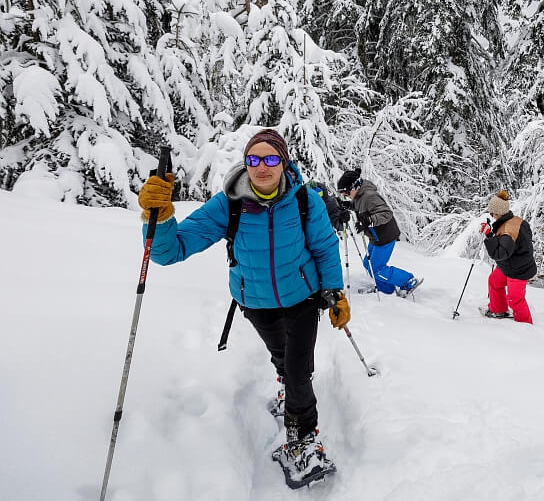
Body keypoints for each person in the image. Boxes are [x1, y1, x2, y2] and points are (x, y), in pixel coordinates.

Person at [137, 129, 349, 486]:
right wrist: (156, 217)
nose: (261, 167)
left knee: (300, 369)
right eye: (254, 159)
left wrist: (335, 291)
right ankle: (284, 381)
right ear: (245, 163)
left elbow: (326, 246)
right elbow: (169, 252)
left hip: (302, 298)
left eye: (270, 159)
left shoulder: (303, 200)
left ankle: (301, 442)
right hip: (254, 301)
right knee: (282, 356)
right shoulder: (229, 204)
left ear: (283, 162)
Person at [336, 168, 420, 296]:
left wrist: (368, 221)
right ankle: (386, 289)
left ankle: (408, 281)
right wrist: (349, 205)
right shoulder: (360, 196)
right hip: (375, 236)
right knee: (368, 264)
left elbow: (386, 213)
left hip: (385, 236)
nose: (345, 195)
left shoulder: (370, 196)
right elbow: (361, 206)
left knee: (377, 268)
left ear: (355, 186)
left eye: (346, 192)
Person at [481, 190, 536, 323]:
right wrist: (492, 234)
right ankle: (498, 310)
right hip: (512, 265)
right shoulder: (514, 221)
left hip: (518, 270)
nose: (491, 215)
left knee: (515, 300)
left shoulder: (508, 230)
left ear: (499, 213)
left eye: (492, 213)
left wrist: (489, 237)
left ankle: (525, 326)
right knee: (494, 281)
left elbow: (500, 253)